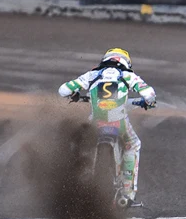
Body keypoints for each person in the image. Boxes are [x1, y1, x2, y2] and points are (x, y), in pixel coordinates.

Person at [58, 47, 156, 208]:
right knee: (133, 145)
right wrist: (149, 103)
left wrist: (74, 96)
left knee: (80, 144)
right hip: (119, 121)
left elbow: (63, 90)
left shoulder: (92, 75)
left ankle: (77, 185)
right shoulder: (127, 75)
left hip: (96, 121)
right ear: (126, 62)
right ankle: (127, 193)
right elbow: (149, 94)